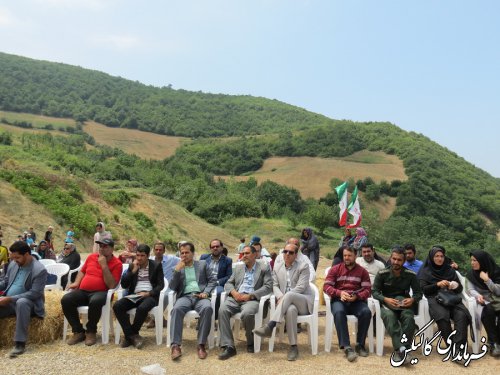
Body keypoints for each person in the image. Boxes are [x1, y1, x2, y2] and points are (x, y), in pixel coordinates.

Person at [254, 243, 313, 361]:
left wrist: (284, 297)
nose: (287, 254)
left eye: (291, 252)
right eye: (285, 251)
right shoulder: (277, 267)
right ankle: (293, 347)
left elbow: (301, 287)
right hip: (286, 304)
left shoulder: (303, 266)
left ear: (296, 255)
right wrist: (281, 296)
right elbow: (274, 285)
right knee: (291, 310)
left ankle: (271, 325)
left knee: (290, 294)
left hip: (304, 301)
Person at [61, 238, 122, 346]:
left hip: (102, 292)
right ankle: (78, 331)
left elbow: (112, 285)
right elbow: (82, 271)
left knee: (95, 301)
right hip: (83, 291)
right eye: (101, 246)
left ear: (112, 249)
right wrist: (76, 282)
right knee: (66, 300)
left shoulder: (117, 264)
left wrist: (104, 265)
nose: (102, 249)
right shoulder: (91, 257)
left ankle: (91, 331)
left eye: (105, 246)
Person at [218, 245, 272, 360]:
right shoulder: (238, 268)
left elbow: (268, 287)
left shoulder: (263, 268)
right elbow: (228, 283)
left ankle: (250, 341)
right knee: (222, 310)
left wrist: (251, 295)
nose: (244, 256)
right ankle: (229, 346)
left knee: (247, 313)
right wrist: (233, 292)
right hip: (236, 297)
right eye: (243, 253)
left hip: (251, 299)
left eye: (247, 253)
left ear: (255, 255)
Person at [372, 247, 422, 364]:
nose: (396, 262)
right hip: (386, 304)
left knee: (409, 318)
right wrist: (385, 299)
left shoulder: (411, 275)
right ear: (390, 258)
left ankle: (402, 350)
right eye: (394, 259)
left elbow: (418, 293)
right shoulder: (382, 274)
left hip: (404, 303)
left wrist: (412, 300)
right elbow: (374, 292)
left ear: (404, 261)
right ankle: (403, 350)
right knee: (390, 317)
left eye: (399, 260)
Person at [323, 245, 372, 362]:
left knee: (366, 312)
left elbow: (367, 290)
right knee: (339, 312)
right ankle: (347, 347)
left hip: (356, 301)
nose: (347, 258)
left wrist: (357, 297)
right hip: (339, 300)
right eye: (345, 255)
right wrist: (339, 293)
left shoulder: (362, 271)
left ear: (355, 256)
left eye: (349, 255)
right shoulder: (335, 269)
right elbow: (326, 286)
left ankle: (360, 345)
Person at [169, 242, 216, 360]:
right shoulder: (177, 267)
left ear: (193, 253)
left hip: (200, 296)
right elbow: (172, 287)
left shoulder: (202, 264)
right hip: (185, 297)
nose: (184, 255)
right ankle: (175, 345)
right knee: (176, 309)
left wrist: (206, 292)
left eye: (187, 252)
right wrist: (176, 271)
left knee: (207, 308)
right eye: (182, 253)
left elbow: (212, 281)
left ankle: (201, 345)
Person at [0, 241, 48, 358]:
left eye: (17, 257)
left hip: (29, 304)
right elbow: (6, 282)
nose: (14, 260)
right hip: (10, 301)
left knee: (22, 302)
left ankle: (20, 344)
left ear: (27, 254)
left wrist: (10, 299)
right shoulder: (13, 264)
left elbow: (34, 294)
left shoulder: (39, 269)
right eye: (13, 257)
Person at [418, 246, 471, 351]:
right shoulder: (426, 271)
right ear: (432, 257)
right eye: (436, 256)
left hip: (450, 297)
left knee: (461, 315)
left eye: (441, 256)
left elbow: (459, 289)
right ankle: (451, 348)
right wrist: (437, 285)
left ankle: (459, 348)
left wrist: (455, 285)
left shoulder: (449, 270)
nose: (439, 259)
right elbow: (424, 289)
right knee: (442, 316)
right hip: (434, 298)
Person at [113, 244, 164, 349]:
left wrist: (148, 293)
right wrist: (132, 272)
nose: (139, 258)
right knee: (117, 306)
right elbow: (124, 285)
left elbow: (160, 285)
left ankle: (130, 336)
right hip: (135, 295)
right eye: (138, 255)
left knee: (142, 308)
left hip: (150, 296)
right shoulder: (133, 265)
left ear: (148, 255)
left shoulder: (156, 265)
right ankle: (132, 336)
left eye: (142, 255)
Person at [467, 249, 500, 356]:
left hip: (498, 300)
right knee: (488, 311)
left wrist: (487, 280)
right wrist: (478, 296)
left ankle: (498, 342)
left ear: (483, 261)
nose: (472, 263)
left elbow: (498, 291)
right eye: (471, 260)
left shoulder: (496, 271)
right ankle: (493, 343)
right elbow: (470, 289)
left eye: (475, 260)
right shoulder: (471, 274)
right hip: (484, 302)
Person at [146, 241, 180, 329]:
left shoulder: (171, 259)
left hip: (167, 287)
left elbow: (184, 261)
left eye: (160, 250)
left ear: (164, 251)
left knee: (164, 296)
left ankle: (153, 319)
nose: (158, 251)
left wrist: (176, 270)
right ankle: (160, 320)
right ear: (153, 250)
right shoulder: (149, 261)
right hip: (154, 286)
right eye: (156, 249)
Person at [200, 239, 233, 319]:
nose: (215, 248)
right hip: (205, 283)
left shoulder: (227, 260)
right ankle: (202, 317)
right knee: (198, 291)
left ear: (221, 248)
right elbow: (199, 272)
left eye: (217, 246)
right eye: (213, 247)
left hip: (218, 284)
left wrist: (217, 282)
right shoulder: (204, 257)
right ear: (210, 248)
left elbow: (229, 276)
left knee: (219, 293)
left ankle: (213, 318)